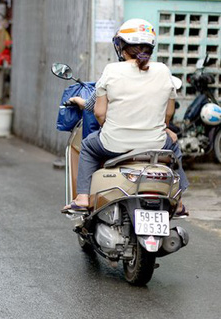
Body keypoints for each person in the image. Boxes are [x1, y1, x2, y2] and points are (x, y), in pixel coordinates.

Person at [64, 18, 189, 216]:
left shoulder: (112, 70)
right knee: (173, 145)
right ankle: (179, 202)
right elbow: (168, 112)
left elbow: (98, 112)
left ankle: (82, 198)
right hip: (155, 145)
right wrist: (163, 127)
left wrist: (108, 126)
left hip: (114, 144)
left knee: (87, 146)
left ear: (121, 46)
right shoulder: (164, 71)